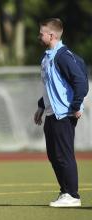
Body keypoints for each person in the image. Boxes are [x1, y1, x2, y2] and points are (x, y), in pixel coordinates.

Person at [34, 18, 88, 207]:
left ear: (52, 35)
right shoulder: (48, 56)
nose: (38, 36)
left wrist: (76, 105)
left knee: (64, 154)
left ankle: (73, 195)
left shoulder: (63, 56)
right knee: (53, 155)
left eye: (41, 33)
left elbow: (81, 81)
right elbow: (50, 85)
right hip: (51, 113)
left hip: (64, 113)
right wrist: (41, 106)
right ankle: (65, 192)